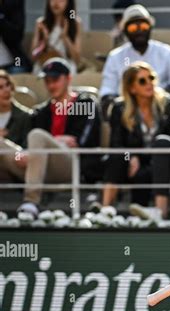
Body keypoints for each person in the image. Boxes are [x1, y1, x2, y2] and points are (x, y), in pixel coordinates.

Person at [17, 58, 101, 217]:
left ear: (68, 78)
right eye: (47, 81)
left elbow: (80, 143)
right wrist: (57, 141)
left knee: (37, 136)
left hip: (74, 165)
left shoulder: (85, 103)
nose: (51, 85)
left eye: (55, 80)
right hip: (38, 167)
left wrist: (49, 143)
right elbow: (30, 146)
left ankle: (30, 202)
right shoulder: (41, 111)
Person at [102, 62, 170, 219]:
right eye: (142, 81)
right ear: (131, 88)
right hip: (132, 163)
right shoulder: (120, 108)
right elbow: (116, 143)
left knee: (147, 169)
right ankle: (105, 211)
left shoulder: (167, 104)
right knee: (118, 157)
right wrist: (131, 156)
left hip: (162, 161)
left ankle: (158, 214)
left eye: (151, 78)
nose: (149, 83)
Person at [100, 4, 170, 105]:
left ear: (150, 28)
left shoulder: (168, 53)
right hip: (126, 110)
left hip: (160, 108)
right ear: (125, 31)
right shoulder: (115, 56)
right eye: (133, 28)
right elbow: (107, 89)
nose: (139, 31)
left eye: (144, 26)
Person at [31, 0, 82, 75]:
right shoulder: (41, 23)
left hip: (66, 64)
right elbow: (33, 57)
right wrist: (45, 41)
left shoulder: (75, 23)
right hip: (45, 63)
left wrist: (65, 37)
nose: (56, 3)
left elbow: (77, 59)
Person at [0, 70, 33, 182]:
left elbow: (26, 148)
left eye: (8, 85)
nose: (6, 90)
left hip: (15, 165)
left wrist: (4, 141)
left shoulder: (25, 116)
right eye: (0, 87)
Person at [0, 0, 32, 73]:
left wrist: (1, 17)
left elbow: (17, 36)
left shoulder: (14, 3)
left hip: (15, 60)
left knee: (18, 69)